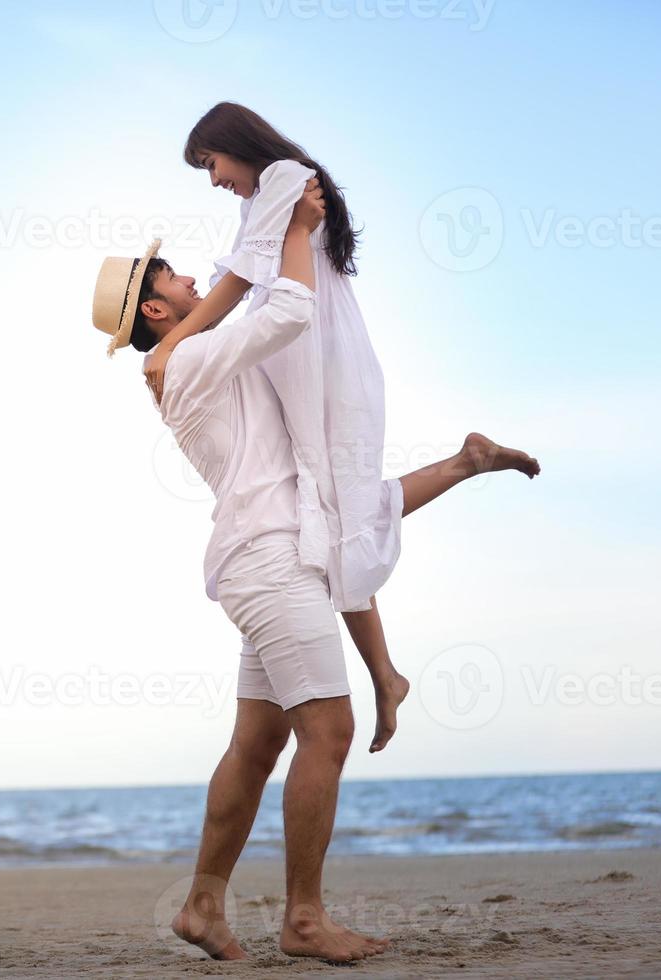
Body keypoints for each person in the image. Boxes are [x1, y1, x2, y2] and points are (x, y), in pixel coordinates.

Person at [90, 187, 539, 962]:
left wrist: (265, 237)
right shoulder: (188, 358)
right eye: (170, 277)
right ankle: (304, 918)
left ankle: (202, 905)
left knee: (258, 744)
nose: (191, 279)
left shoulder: (185, 354)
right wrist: (294, 225)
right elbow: (290, 310)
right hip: (269, 561)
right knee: (328, 731)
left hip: (267, 555)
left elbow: (352, 503)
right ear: (155, 311)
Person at [138, 102, 540, 752]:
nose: (213, 179)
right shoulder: (271, 192)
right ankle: (390, 666)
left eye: (210, 163)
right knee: (330, 509)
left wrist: (167, 345)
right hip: (307, 351)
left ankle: (386, 675)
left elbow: (241, 281)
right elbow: (238, 277)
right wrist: (171, 348)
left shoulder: (282, 180)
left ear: (234, 144)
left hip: (313, 353)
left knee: (334, 510)